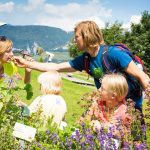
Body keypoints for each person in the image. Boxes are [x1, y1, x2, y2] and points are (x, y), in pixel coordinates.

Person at [14, 20, 150, 110]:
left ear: (87, 36)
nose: (74, 40)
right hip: (108, 108)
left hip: (130, 108)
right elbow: (55, 67)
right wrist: (26, 63)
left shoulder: (113, 54)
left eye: (77, 36)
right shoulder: (86, 59)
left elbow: (142, 76)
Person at [79, 74, 132, 149]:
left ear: (113, 96)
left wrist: (111, 129)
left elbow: (127, 136)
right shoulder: (97, 103)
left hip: (111, 142)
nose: (99, 89)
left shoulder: (124, 112)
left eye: (102, 89)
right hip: (93, 137)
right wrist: (93, 122)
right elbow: (83, 121)